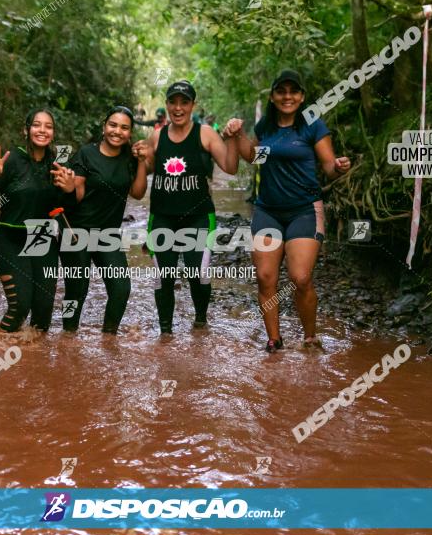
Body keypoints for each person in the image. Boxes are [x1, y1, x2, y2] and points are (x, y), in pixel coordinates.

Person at [223, 70, 351, 353]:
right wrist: (239, 134)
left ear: (302, 97)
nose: (287, 97)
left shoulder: (311, 126)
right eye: (281, 91)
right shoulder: (266, 127)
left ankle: (309, 336)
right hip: (268, 211)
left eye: (293, 91)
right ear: (273, 96)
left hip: (304, 210)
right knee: (266, 278)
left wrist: (339, 167)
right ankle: (274, 339)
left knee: (300, 278)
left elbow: (328, 168)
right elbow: (253, 156)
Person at [133, 80, 240, 334]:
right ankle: (166, 333)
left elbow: (231, 167)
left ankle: (200, 322)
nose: (178, 108)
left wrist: (234, 139)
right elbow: (141, 179)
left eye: (184, 102)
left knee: (198, 273)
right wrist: (138, 157)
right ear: (167, 104)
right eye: (173, 102)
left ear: (193, 105)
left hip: (199, 217)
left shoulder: (205, 134)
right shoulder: (157, 136)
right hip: (162, 218)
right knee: (164, 277)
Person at [0, 108, 76, 333]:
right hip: (12, 240)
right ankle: (0, 354)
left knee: (43, 311)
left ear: (53, 132)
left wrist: (69, 190)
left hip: (42, 238)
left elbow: (64, 206)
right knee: (20, 306)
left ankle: (34, 365)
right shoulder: (11, 161)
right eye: (37, 125)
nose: (42, 130)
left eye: (48, 126)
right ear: (26, 130)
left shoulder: (56, 163)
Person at [60, 106, 148, 334]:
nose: (117, 131)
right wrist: (70, 187)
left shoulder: (130, 158)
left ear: (130, 133)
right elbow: (77, 191)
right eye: (113, 125)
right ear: (104, 127)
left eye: (124, 127)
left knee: (121, 288)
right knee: (76, 291)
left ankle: (109, 338)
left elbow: (137, 193)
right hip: (77, 231)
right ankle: (67, 336)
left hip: (108, 235)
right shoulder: (86, 154)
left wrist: (141, 162)